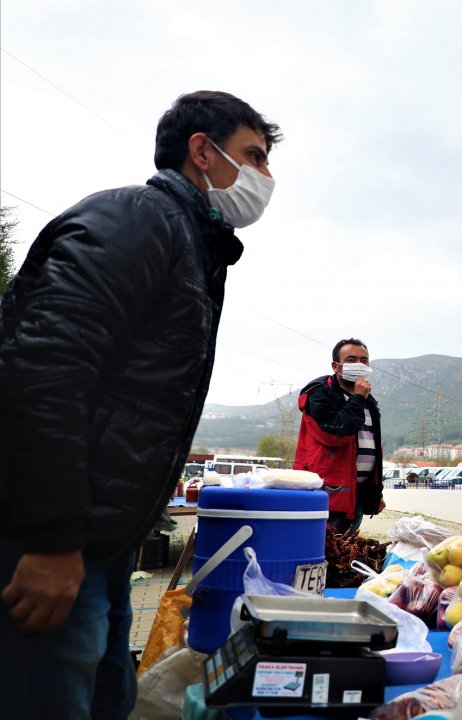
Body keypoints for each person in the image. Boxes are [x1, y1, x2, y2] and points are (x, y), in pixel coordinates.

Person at [0, 91, 280, 720]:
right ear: (202, 152)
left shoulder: (194, 244)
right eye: (253, 156)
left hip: (102, 546)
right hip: (48, 548)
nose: (265, 178)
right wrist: (49, 542)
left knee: (107, 698)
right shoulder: (135, 222)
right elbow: (39, 375)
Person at [294, 339, 386, 534]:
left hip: (357, 496)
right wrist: (358, 398)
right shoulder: (320, 394)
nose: (359, 365)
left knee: (344, 554)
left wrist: (375, 493)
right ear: (336, 366)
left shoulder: (368, 402)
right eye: (351, 360)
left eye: (364, 360)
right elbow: (335, 434)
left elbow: (371, 447)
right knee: (322, 554)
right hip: (327, 497)